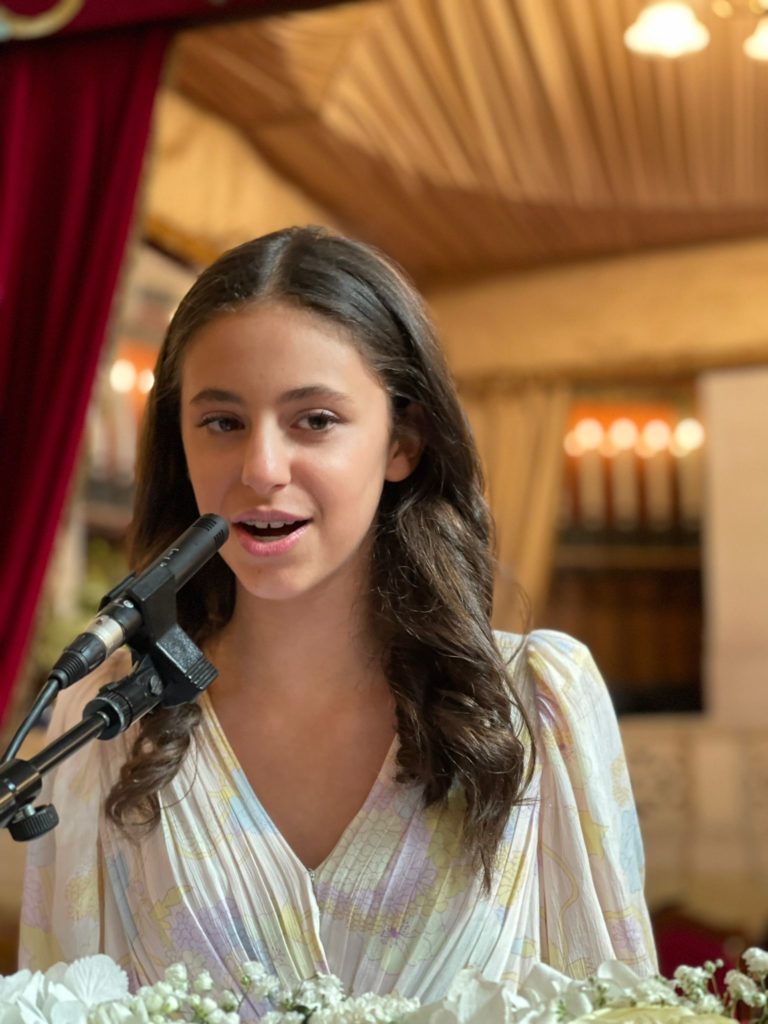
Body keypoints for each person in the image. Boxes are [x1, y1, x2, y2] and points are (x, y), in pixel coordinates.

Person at [19, 226, 657, 1004]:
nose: (261, 468)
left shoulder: (538, 704)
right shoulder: (104, 723)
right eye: (222, 422)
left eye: (314, 420)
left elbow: (631, 1012)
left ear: (403, 442)